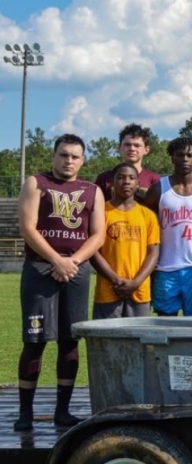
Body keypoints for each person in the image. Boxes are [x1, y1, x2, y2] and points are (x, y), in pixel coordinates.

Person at [15, 134, 106, 431]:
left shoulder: (92, 191)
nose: (69, 161)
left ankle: (62, 411)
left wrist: (73, 262)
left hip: (76, 270)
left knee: (70, 341)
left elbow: (97, 235)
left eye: (75, 156)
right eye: (63, 155)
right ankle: (25, 413)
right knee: (35, 341)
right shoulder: (36, 183)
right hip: (41, 269)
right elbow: (27, 227)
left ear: (83, 160)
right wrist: (56, 259)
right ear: (53, 156)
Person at [143, 137, 192, 316]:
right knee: (164, 321)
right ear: (172, 158)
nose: (185, 159)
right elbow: (146, 226)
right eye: (180, 155)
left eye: (189, 155)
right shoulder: (158, 190)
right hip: (164, 267)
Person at [91, 163, 160, 319]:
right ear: (112, 182)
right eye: (120, 177)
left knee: (138, 339)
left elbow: (153, 253)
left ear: (138, 184)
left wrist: (136, 282)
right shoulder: (101, 212)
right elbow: (93, 251)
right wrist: (115, 279)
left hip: (139, 290)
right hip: (108, 289)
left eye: (131, 178)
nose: (126, 181)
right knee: (106, 339)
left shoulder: (148, 215)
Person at [94, 123, 161, 200]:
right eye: (127, 145)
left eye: (137, 145)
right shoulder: (104, 178)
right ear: (119, 148)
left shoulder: (155, 180)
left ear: (146, 150)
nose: (132, 149)